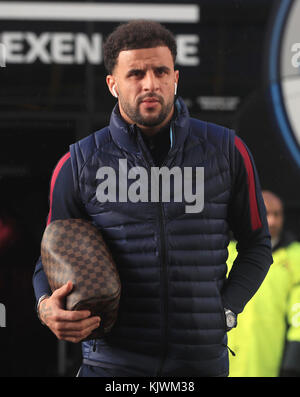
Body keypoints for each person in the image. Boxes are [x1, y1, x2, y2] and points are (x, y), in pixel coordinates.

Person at [32, 20, 273, 377]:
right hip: (112, 364)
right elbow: (50, 254)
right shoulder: (78, 162)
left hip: (199, 363)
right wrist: (44, 306)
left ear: (175, 78)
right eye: (136, 74)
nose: (150, 83)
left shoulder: (227, 150)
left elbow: (257, 245)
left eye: (161, 71)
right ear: (112, 84)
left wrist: (224, 309)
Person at [227, 190, 300, 377]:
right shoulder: (225, 252)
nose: (273, 221)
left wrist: (293, 359)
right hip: (226, 358)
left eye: (278, 214)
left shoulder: (294, 256)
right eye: (267, 213)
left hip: (268, 359)